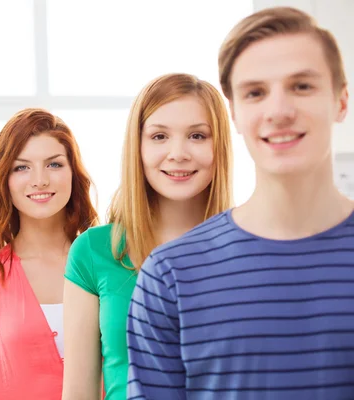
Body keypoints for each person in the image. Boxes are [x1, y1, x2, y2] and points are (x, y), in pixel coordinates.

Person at [127, 7, 354, 400]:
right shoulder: (168, 277)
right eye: (255, 93)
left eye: (302, 86)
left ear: (341, 100)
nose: (279, 111)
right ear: (234, 113)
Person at [62, 73, 233, 400]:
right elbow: (78, 392)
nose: (178, 153)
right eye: (159, 136)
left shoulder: (247, 249)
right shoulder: (94, 252)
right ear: (137, 146)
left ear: (220, 146)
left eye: (197, 135)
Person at [0, 108, 98, 400]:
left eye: (54, 165)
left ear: (73, 173)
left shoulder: (107, 264)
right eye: (22, 167)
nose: (39, 180)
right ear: (3, 179)